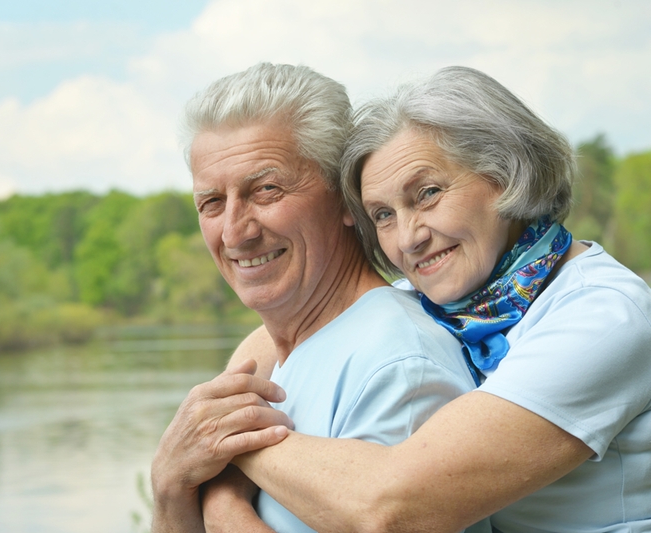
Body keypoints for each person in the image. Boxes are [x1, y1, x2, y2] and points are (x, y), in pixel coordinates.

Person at [205, 66, 651, 532]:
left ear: (505, 174)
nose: (408, 238)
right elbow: (272, 342)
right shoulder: (450, 302)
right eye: (382, 214)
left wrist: (233, 446)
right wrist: (211, 454)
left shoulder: (602, 316)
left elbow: (397, 508)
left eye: (427, 194)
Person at [150, 63, 490, 533]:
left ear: (347, 199)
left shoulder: (398, 367)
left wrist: (220, 504)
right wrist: (169, 487)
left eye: (266, 189)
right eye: (211, 202)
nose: (234, 231)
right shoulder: (281, 351)